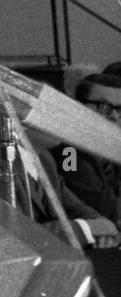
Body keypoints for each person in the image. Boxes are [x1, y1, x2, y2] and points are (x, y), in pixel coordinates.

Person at [0, 127, 120, 249]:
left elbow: (73, 206)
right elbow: (16, 239)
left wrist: (100, 224)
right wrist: (88, 229)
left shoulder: (42, 154)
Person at [54, 73, 121, 220]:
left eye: (119, 109)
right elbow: (104, 206)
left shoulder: (111, 143)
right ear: (79, 107)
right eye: (103, 107)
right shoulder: (68, 150)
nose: (115, 116)